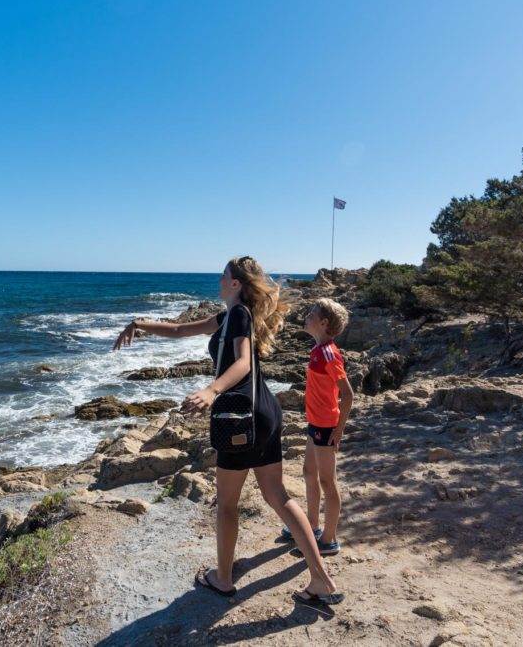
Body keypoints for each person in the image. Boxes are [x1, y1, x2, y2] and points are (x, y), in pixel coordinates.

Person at [113, 256, 344, 608]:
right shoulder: (231, 316)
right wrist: (137, 323)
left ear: (235, 283)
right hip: (265, 411)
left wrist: (211, 391)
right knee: (278, 495)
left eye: (223, 276)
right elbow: (180, 330)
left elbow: (242, 363)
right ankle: (321, 580)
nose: (219, 280)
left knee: (227, 505)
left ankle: (222, 579)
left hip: (241, 415)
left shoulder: (238, 316)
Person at [279, 298, 353, 558]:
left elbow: (348, 394)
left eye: (312, 313)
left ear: (323, 323)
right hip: (315, 423)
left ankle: (329, 540)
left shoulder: (329, 354)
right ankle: (312, 527)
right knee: (309, 473)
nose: (307, 315)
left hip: (326, 426)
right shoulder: (317, 349)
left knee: (327, 482)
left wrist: (339, 430)